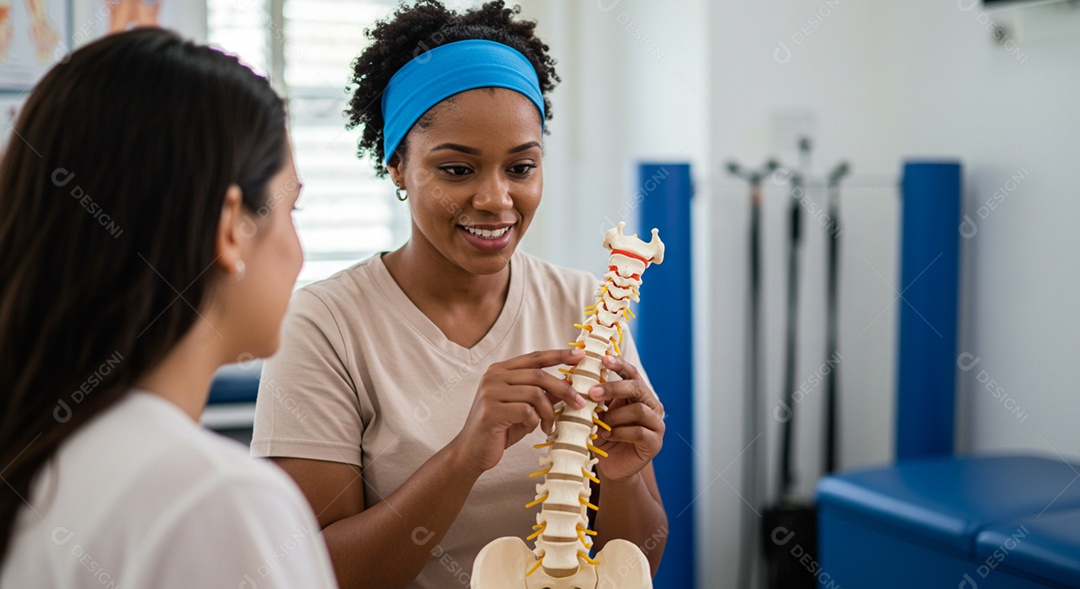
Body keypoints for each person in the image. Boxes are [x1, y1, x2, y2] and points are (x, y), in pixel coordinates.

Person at [250, 1, 668, 587]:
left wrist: (622, 475)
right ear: (397, 164)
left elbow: (635, 565)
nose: (496, 200)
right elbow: (312, 572)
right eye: (456, 170)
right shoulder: (323, 325)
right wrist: (463, 457)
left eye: (520, 168)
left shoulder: (586, 305)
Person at [0, 28, 336, 588]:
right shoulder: (216, 501)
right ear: (233, 227)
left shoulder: (37, 453)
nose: (298, 253)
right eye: (289, 209)